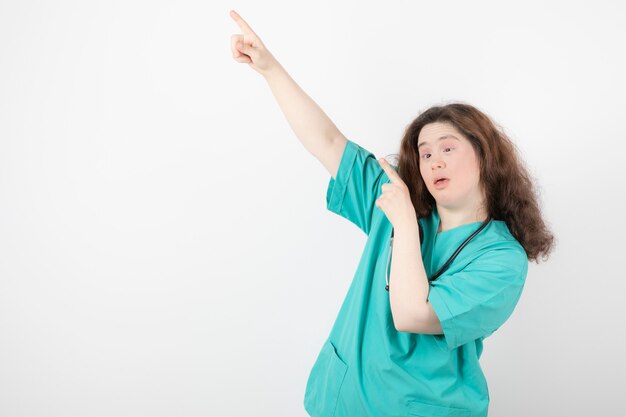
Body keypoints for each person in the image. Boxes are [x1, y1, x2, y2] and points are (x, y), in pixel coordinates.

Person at [229, 10, 555, 417]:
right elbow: (329, 143)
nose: (434, 161)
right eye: (425, 152)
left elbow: (412, 313)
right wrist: (270, 69)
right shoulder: (402, 195)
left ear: (485, 156)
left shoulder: (501, 262)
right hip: (341, 399)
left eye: (448, 148)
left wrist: (402, 222)